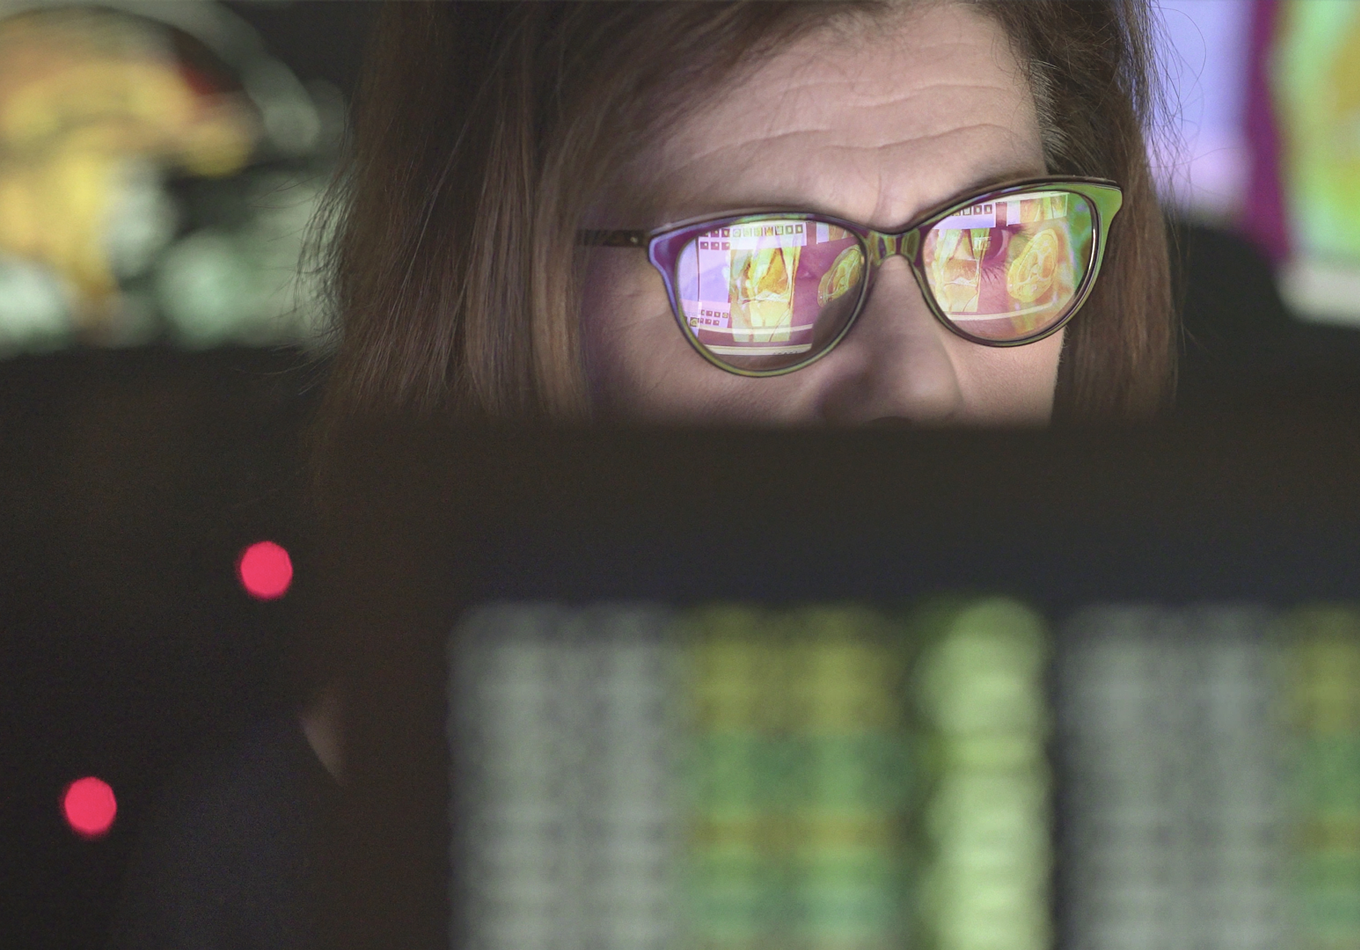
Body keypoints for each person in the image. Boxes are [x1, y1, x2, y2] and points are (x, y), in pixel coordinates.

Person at [116, 2, 1171, 947]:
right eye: (759, 268)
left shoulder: (1217, 757)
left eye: (995, 238)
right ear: (520, 294)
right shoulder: (302, 864)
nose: (914, 385)